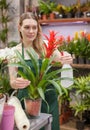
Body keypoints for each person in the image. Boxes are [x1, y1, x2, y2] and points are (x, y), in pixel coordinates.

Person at [9, 12, 73, 130]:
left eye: (34, 27)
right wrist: (16, 82)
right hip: (27, 101)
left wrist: (67, 57)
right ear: (19, 28)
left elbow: (60, 57)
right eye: (27, 27)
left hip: (48, 99)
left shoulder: (45, 45)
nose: (31, 31)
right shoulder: (15, 52)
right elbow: (12, 81)